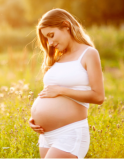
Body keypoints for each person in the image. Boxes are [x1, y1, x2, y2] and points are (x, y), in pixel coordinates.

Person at [29, 8, 105, 158]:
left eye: (51, 35)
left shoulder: (89, 53)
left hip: (69, 133)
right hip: (46, 136)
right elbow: (49, 93)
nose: (50, 43)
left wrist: (61, 91)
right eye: (47, 39)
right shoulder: (58, 58)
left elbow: (98, 97)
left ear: (66, 26)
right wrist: (34, 119)